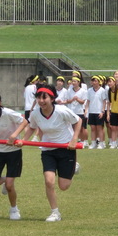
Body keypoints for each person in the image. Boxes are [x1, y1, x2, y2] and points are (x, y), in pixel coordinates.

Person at [23, 85, 81, 222]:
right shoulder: (36, 113)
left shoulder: (61, 111)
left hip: (66, 149)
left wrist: (74, 139)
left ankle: (74, 167)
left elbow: (78, 121)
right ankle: (55, 212)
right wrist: (23, 140)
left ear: (52, 98)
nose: (41, 101)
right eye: (38, 97)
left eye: (44, 98)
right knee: (49, 181)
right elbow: (31, 127)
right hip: (48, 150)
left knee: (64, 186)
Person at [0, 90, 30, 220]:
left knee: (9, 185)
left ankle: (14, 209)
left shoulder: (8, 113)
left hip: (13, 151)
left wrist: (15, 135)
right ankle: (5, 179)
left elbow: (25, 122)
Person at [86, 75, 108, 149]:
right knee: (92, 128)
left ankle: (101, 143)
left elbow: (104, 102)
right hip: (92, 112)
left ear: (99, 82)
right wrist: (86, 110)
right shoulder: (89, 90)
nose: (94, 82)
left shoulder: (102, 90)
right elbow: (88, 101)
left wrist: (102, 111)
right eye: (93, 81)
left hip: (99, 112)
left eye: (95, 81)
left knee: (99, 128)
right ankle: (93, 143)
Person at [66, 76, 88, 146]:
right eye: (72, 81)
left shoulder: (83, 91)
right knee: (71, 127)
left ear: (78, 82)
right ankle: (73, 140)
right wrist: (72, 100)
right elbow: (67, 101)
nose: (73, 83)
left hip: (79, 111)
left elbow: (83, 101)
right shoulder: (69, 91)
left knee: (81, 128)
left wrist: (77, 99)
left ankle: (83, 141)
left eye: (75, 81)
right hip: (71, 111)